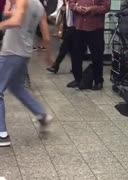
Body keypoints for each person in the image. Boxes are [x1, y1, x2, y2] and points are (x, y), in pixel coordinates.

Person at [0, 0, 53, 147]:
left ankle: (2, 134)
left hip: (11, 52)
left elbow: (16, 21)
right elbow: (46, 37)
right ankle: (42, 115)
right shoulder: (39, 6)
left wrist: (1, 25)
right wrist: (48, 56)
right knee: (16, 88)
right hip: (24, 53)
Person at [68, 0, 110, 90]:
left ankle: (98, 81)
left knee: (97, 56)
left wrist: (91, 9)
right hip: (79, 26)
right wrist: (76, 8)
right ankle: (78, 79)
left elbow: (106, 7)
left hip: (95, 28)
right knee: (76, 55)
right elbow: (71, 3)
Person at [47, 0, 75, 74]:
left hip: (73, 26)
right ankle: (74, 67)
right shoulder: (61, 1)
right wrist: (52, 15)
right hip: (66, 26)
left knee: (64, 47)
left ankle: (56, 65)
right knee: (71, 48)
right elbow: (58, 10)